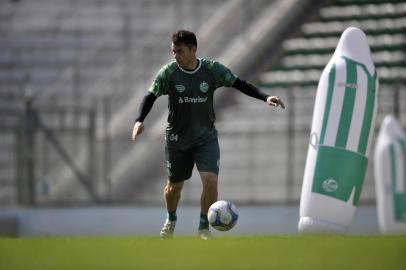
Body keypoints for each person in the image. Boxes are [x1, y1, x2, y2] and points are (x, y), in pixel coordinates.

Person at [132, 30, 285, 240]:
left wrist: (266, 97)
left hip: (206, 137)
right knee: (174, 187)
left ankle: (203, 228)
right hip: (177, 139)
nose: (175, 55)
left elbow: (239, 83)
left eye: (179, 51)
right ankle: (171, 219)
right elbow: (150, 95)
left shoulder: (212, 70)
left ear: (193, 49)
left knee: (211, 180)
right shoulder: (169, 72)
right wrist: (139, 120)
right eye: (173, 51)